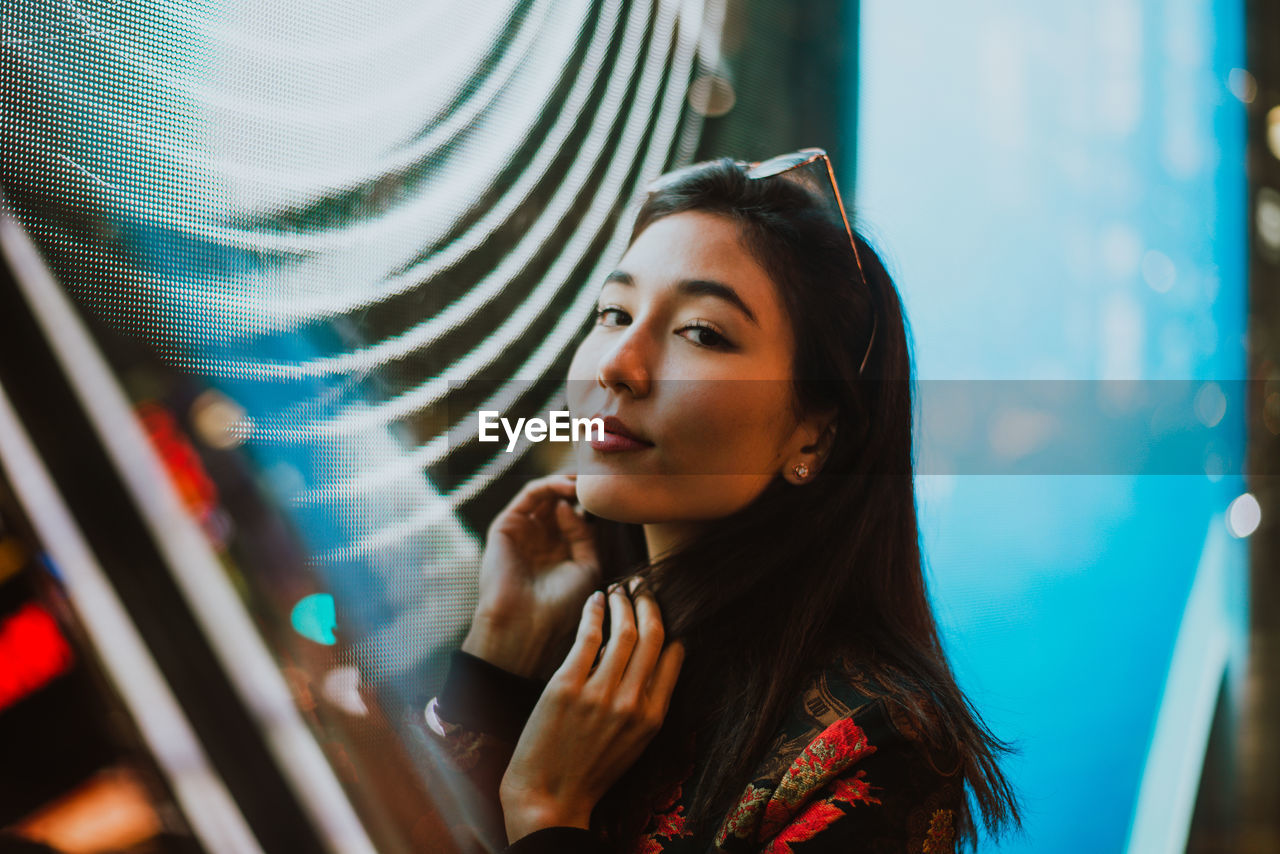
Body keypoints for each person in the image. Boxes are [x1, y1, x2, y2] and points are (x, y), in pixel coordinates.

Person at [421, 151, 1022, 853]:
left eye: (700, 332)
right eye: (613, 313)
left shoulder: (873, 742)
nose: (619, 364)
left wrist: (549, 811)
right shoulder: (580, 635)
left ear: (815, 436)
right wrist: (498, 651)